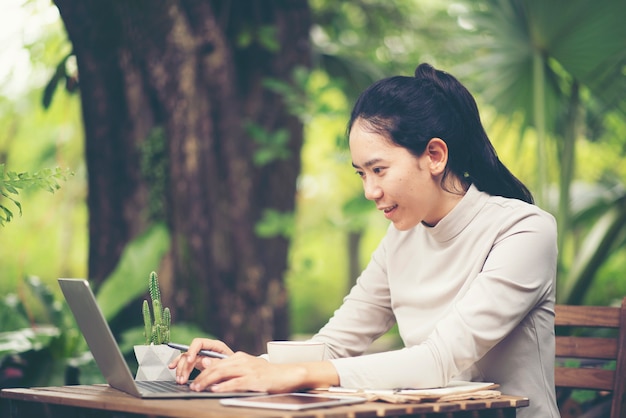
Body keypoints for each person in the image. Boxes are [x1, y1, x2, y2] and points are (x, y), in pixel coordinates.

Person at [170, 63, 559, 418]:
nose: (370, 190)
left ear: (435, 156)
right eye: (361, 173)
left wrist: (296, 375)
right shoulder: (401, 239)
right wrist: (244, 365)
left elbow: (439, 360)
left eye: (379, 169)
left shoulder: (524, 231)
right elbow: (335, 345)